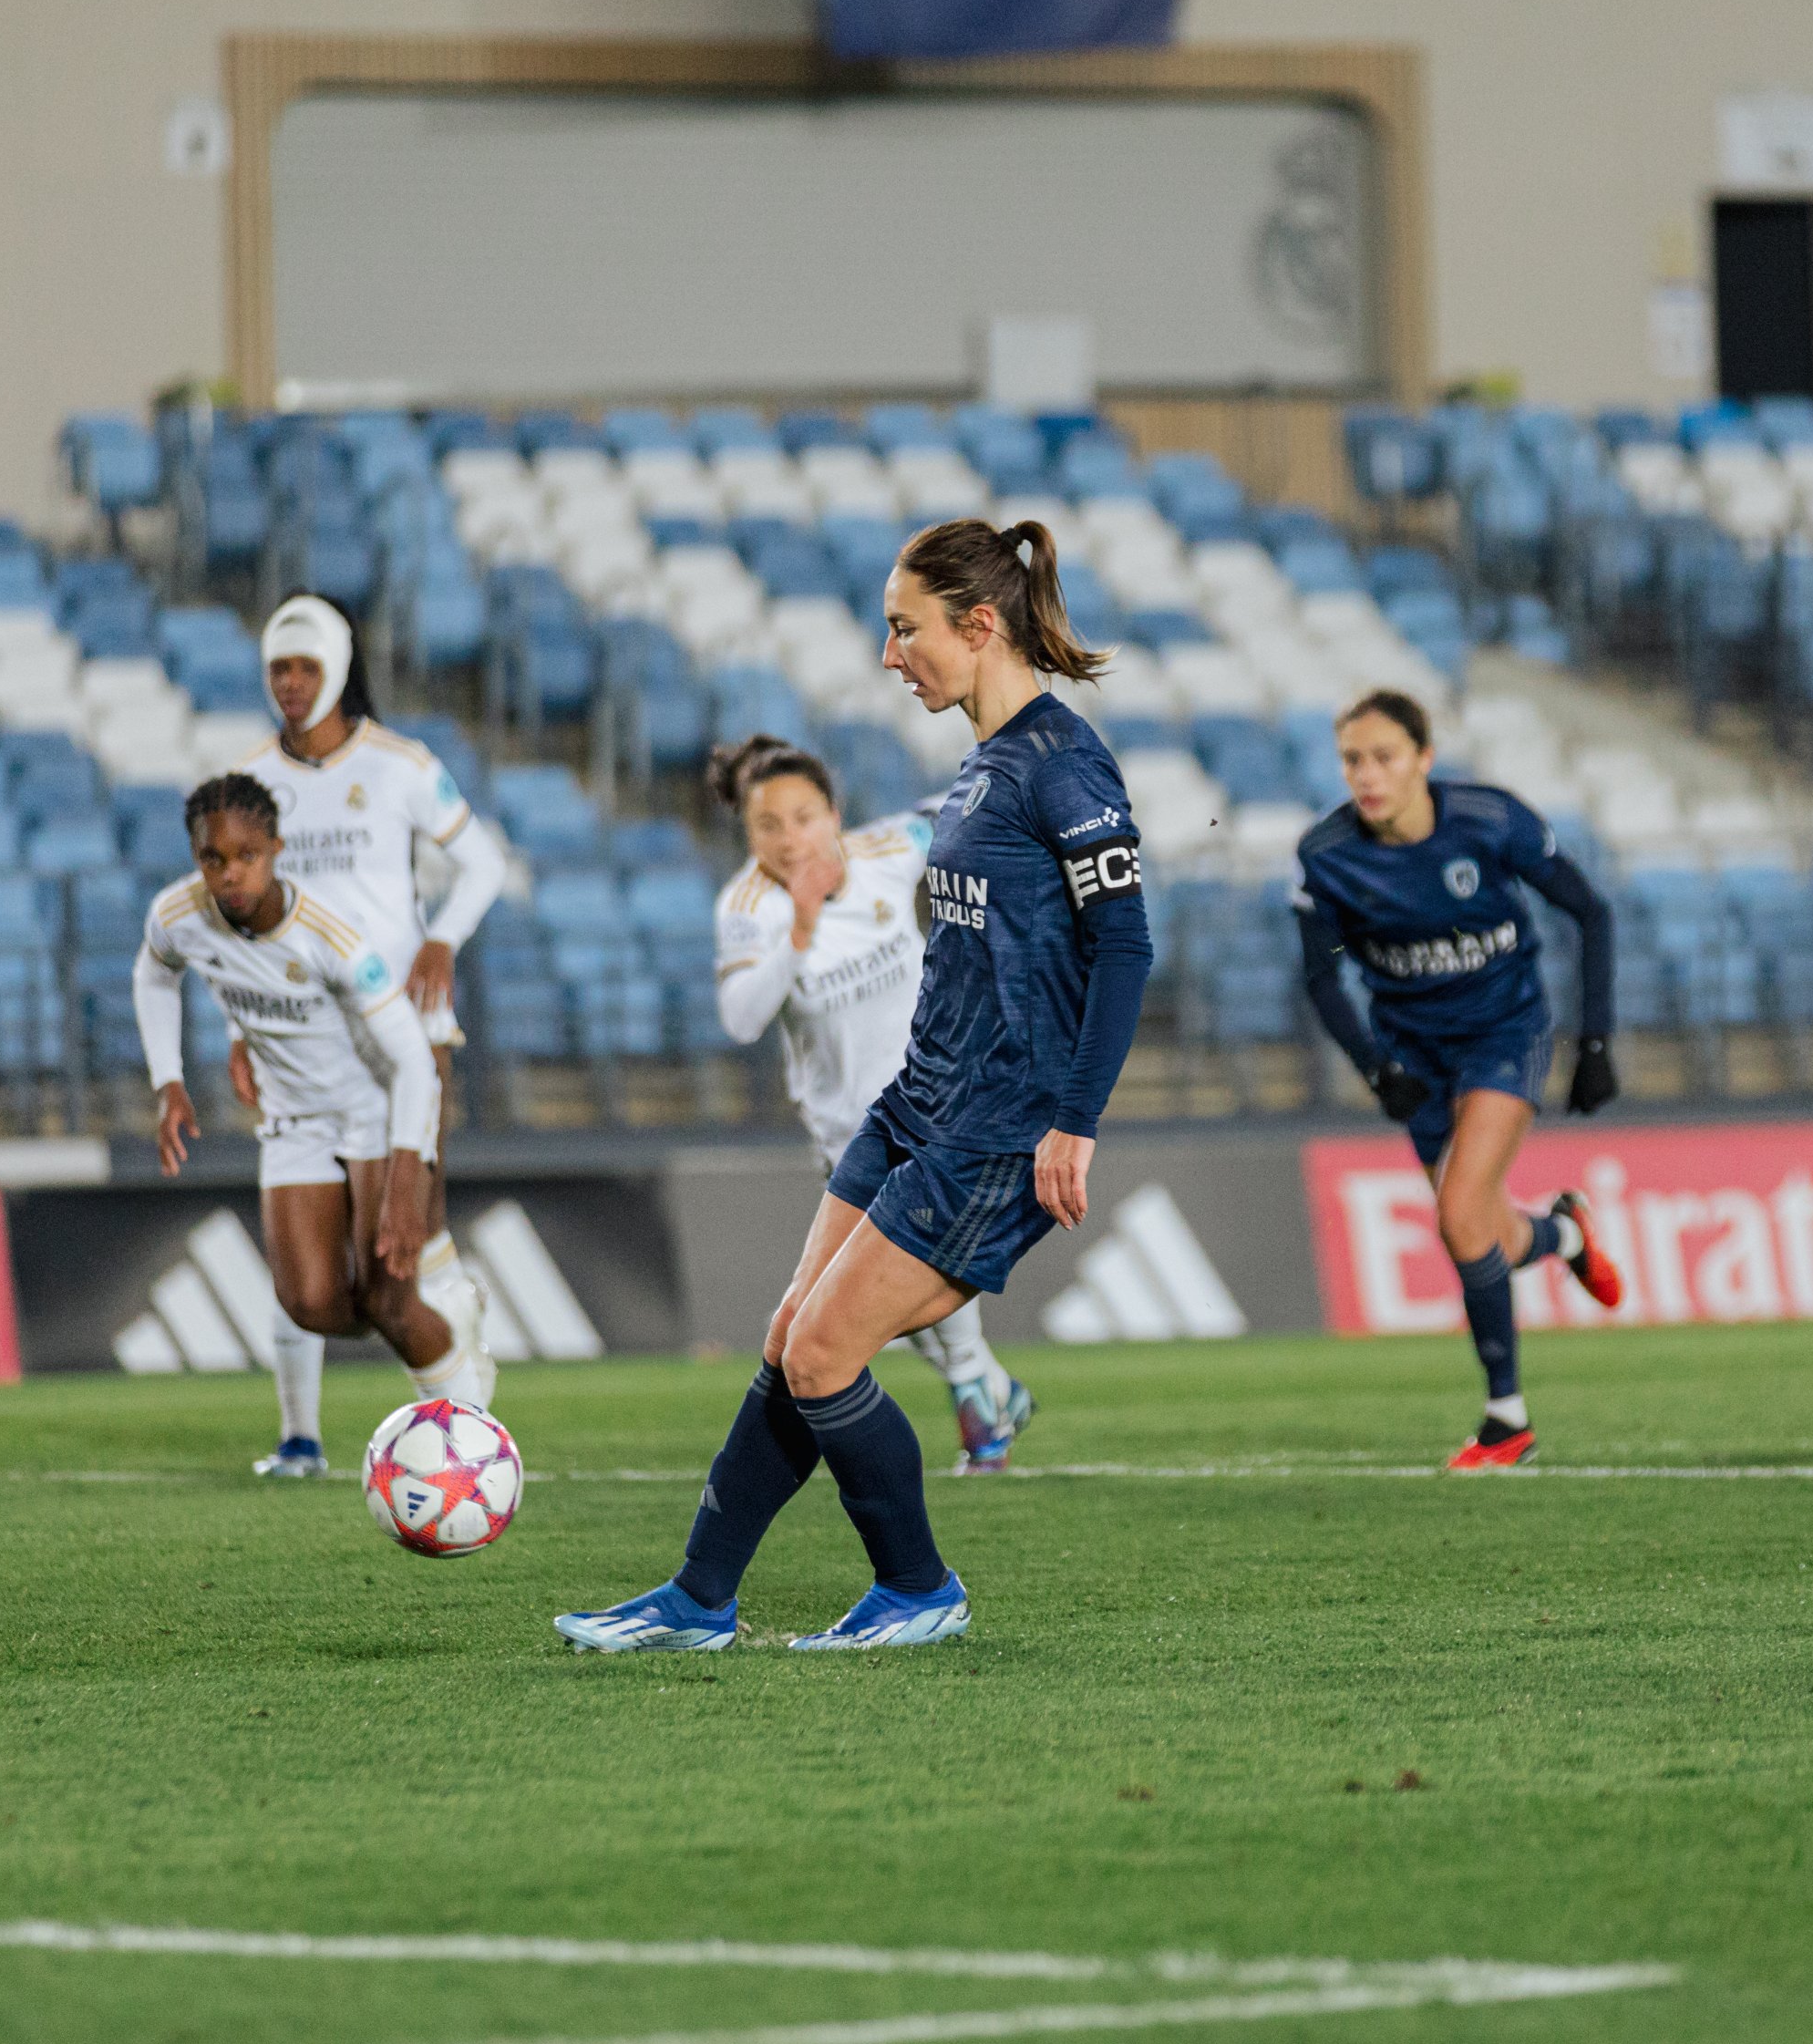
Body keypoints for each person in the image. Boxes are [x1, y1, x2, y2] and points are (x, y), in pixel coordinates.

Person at [558, 520, 1149, 1652]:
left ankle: (919, 1588)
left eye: (903, 628)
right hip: (913, 1101)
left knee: (827, 1354)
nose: (889, 655)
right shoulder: (978, 767)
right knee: (791, 1337)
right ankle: (695, 1601)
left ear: (979, 627)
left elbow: (1123, 948)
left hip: (997, 1125)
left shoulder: (1063, 764)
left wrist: (1074, 1122)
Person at [1294, 689, 1625, 1467]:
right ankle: (1566, 1230)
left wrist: (1598, 1041)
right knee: (1480, 1228)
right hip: (1415, 1054)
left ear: (1424, 759)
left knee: (1457, 1217)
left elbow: (1592, 912)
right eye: (1352, 760)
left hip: (1506, 1034)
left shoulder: (1490, 820)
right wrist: (1378, 1071)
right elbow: (1321, 979)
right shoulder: (1327, 855)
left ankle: (1507, 1418)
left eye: (1383, 757)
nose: (1367, 776)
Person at [232, 594, 509, 1478]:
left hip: (399, 1037)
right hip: (299, 1041)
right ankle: (311, 1425)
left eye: (306, 666)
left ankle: (462, 1423)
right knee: (318, 1275)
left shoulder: (399, 767)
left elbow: (484, 862)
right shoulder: (252, 785)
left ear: (341, 671)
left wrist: (440, 939)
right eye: (279, 667)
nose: (290, 683)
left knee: (390, 1259)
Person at [708, 732, 1037, 1472]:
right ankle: (986, 1384)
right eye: (769, 825)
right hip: (847, 1133)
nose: (790, 838)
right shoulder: (747, 907)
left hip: (936, 1097)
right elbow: (741, 1017)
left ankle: (979, 1406)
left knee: (886, 1273)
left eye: (804, 817)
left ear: (834, 813)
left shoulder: (889, 850)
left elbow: (960, 807)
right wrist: (800, 922)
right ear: (748, 831)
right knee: (877, 1288)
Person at [134, 774, 491, 1420]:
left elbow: (414, 1059)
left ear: (276, 847)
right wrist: (170, 1082)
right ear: (197, 859)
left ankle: (470, 1438)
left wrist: (407, 1178)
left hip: (378, 1108)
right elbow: (153, 972)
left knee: (388, 1301)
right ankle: (441, 1315)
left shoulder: (332, 936)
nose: (231, 874)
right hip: (295, 1116)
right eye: (214, 858)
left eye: (247, 855)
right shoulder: (178, 915)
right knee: (310, 1303)